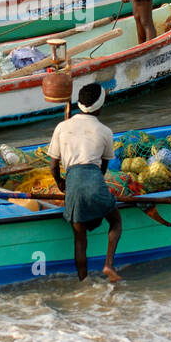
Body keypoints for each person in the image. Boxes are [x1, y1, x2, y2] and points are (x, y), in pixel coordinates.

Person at [49, 83, 123, 282]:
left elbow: (53, 166)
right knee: (115, 221)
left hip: (72, 182)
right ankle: (108, 265)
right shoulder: (105, 131)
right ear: (99, 107)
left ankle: (83, 281)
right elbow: (104, 168)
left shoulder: (62, 127)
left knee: (80, 240)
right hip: (94, 180)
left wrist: (60, 184)